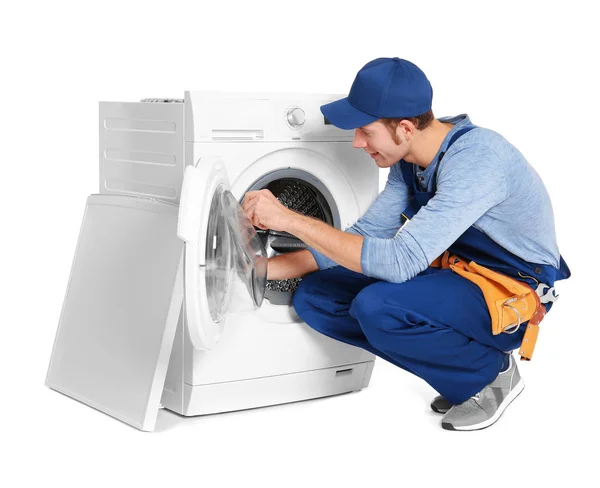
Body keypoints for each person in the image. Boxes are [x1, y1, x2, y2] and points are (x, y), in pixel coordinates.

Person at [241, 57, 570, 431]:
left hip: (512, 290)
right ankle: (462, 372)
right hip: (459, 276)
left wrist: (287, 219)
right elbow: (368, 234)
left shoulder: (478, 160)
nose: (356, 142)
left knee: (378, 307)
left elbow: (399, 262)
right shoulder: (408, 161)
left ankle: (489, 375)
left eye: (366, 131)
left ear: (405, 128)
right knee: (316, 297)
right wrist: (263, 270)